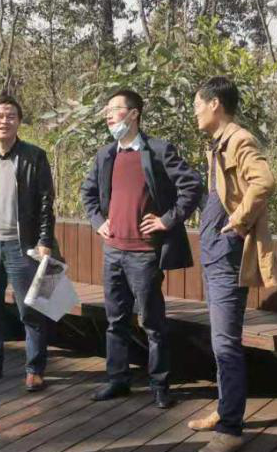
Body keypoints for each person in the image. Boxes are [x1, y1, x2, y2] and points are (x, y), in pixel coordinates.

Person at [80, 88, 202, 409]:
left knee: (152, 323)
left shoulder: (158, 151)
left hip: (145, 254)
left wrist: (166, 220)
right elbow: (87, 193)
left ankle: (160, 385)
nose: (108, 115)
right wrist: (98, 221)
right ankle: (117, 380)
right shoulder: (106, 155)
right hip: (113, 250)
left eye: (115, 109)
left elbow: (192, 185)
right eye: (107, 110)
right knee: (115, 321)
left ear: (134, 114)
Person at [190, 76, 277, 452]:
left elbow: (264, 181)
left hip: (227, 256)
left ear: (215, 104)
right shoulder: (219, 144)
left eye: (198, 104)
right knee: (220, 341)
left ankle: (231, 429)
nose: (195, 112)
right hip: (216, 253)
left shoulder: (239, 140)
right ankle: (224, 408)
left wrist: (239, 220)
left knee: (226, 344)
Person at [0, 92, 58, 393]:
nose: (5, 121)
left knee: (31, 309)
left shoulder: (34, 156)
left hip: (21, 244)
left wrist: (45, 239)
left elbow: (46, 203)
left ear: (19, 122)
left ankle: (34, 369)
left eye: (11, 116)